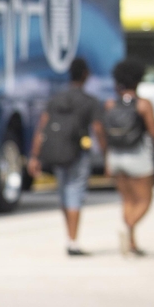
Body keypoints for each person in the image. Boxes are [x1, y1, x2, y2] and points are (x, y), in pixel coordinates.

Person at [27, 58, 105, 256]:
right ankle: (73, 240)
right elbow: (97, 129)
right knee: (75, 193)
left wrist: (34, 156)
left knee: (64, 193)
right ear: (85, 75)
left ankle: (69, 237)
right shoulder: (90, 101)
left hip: (57, 151)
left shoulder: (56, 99)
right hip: (78, 152)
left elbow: (41, 128)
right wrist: (106, 153)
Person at [104, 59, 154, 257]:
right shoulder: (144, 105)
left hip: (115, 157)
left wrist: (106, 158)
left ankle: (131, 242)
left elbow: (105, 134)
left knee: (128, 200)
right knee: (145, 200)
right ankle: (129, 227)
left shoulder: (110, 104)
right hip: (137, 156)